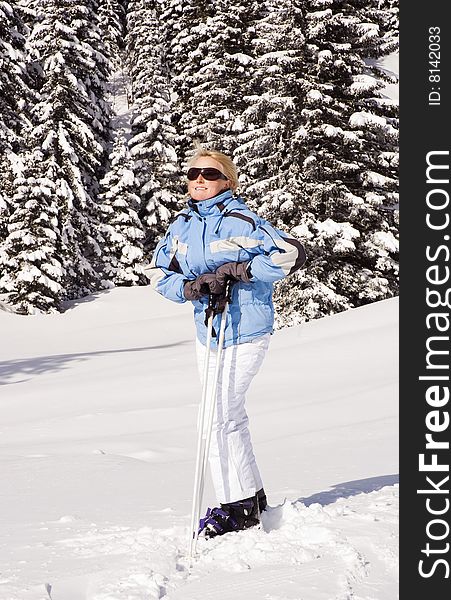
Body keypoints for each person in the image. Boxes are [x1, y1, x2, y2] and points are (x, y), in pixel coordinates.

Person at [145, 147, 306, 538]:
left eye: (210, 174)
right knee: (227, 417)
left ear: (227, 182)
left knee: (215, 416)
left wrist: (242, 269)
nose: (199, 179)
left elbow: (292, 254)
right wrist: (189, 287)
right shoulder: (181, 225)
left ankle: (236, 508)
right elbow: (156, 272)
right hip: (209, 332)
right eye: (193, 173)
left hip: (246, 331)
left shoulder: (242, 219)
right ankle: (252, 497)